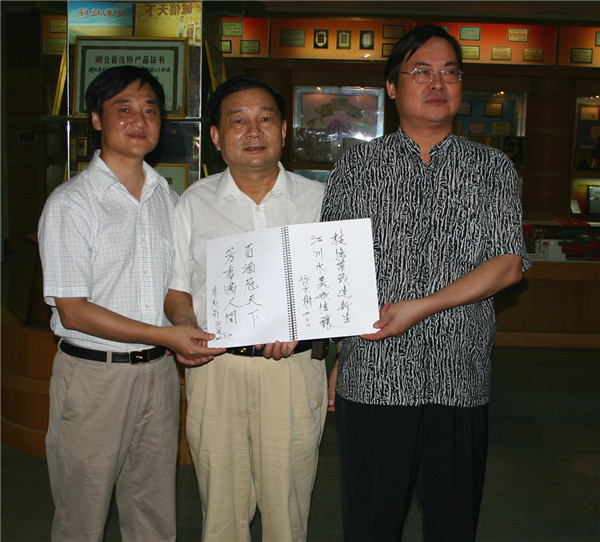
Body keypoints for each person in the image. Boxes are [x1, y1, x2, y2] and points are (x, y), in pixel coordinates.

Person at [320, 24, 531, 542]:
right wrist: (341, 356)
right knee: (370, 524)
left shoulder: (492, 169)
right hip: (375, 373)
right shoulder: (357, 167)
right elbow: (335, 267)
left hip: (459, 375)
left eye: (450, 73)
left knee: (453, 525)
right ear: (392, 87)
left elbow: (508, 264)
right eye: (421, 72)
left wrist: (422, 305)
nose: (438, 83)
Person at [38, 65, 222, 542]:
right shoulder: (71, 204)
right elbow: (73, 309)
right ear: (97, 119)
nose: (139, 120)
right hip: (94, 378)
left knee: (153, 513)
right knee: (82, 517)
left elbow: (174, 288)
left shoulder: (168, 199)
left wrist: (185, 324)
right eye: (124, 109)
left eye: (150, 111)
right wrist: (166, 335)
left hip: (159, 375)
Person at [164, 74, 329, 542]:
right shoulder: (193, 203)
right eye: (238, 121)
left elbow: (337, 292)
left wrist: (307, 327)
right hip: (217, 369)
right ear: (217, 136)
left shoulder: (320, 201)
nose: (253, 131)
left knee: (287, 510)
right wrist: (186, 327)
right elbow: (177, 289)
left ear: (284, 131)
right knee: (221, 510)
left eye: (265, 119)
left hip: (294, 371)